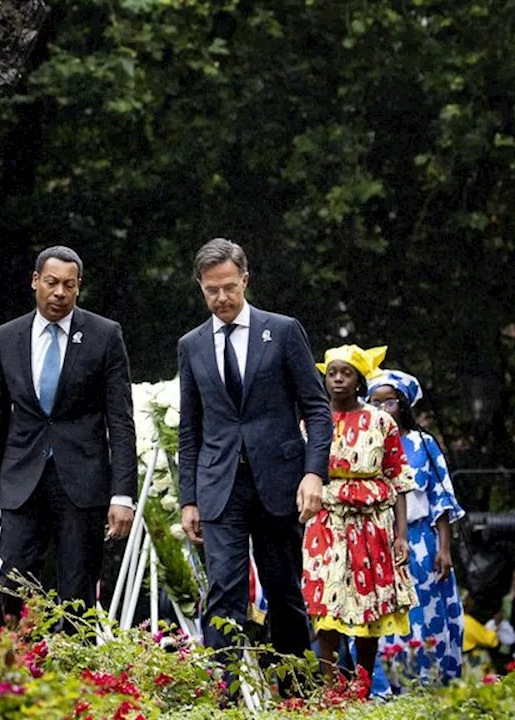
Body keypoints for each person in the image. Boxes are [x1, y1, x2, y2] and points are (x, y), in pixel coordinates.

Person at [176, 238, 333, 674]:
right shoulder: (191, 345)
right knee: (224, 588)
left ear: (245, 280)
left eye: (229, 287)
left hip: (279, 482)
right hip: (219, 486)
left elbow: (317, 409)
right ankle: (221, 694)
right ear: (200, 288)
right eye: (212, 290)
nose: (222, 298)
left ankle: (297, 691)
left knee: (282, 588)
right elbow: (191, 428)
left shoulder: (282, 331)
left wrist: (313, 474)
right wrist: (188, 497)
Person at [0, 246, 137, 621]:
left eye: (68, 285)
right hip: (21, 481)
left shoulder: (104, 335)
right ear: (35, 282)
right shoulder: (6, 337)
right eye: (51, 283)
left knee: (77, 595)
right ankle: (17, 672)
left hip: (82, 482)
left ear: (79, 287)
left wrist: (123, 494)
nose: (59, 293)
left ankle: (75, 676)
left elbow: (121, 421)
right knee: (13, 583)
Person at [303, 344, 417, 683]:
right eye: (332, 373)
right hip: (326, 521)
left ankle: (363, 687)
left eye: (346, 373)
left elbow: (398, 480)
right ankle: (332, 687)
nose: (337, 379)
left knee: (369, 607)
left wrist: (401, 536)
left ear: (359, 381)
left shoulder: (382, 423)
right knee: (326, 605)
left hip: (372, 523)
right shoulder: (311, 422)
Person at [370, 370, 466, 684]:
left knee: (427, 612)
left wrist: (444, 548)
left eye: (390, 402)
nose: (383, 409)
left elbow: (440, 500)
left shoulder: (422, 443)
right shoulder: (365, 444)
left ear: (404, 405)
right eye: (375, 402)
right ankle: (385, 689)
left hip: (421, 542)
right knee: (384, 617)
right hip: (378, 543)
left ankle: (432, 685)